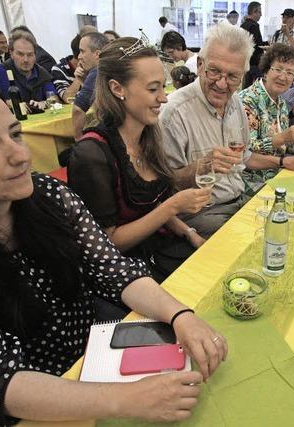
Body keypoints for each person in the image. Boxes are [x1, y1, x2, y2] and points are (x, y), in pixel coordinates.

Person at [0, 80, 227, 425]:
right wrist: (125, 398)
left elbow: (112, 267)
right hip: (32, 403)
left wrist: (181, 315)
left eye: (15, 134)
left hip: (90, 361)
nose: (20, 154)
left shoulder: (48, 194)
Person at [68, 37, 211, 281]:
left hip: (159, 250)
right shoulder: (90, 154)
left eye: (163, 87)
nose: (164, 98)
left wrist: (189, 233)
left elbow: (148, 202)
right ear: (117, 88)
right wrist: (173, 205)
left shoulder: (148, 134)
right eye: (153, 89)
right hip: (124, 273)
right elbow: (106, 245)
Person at [160, 24, 294, 238]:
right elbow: (162, 186)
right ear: (200, 64)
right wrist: (203, 167)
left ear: (244, 74)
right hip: (200, 215)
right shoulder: (174, 113)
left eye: (233, 76)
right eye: (214, 71)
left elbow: (245, 156)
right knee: (266, 237)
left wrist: (282, 161)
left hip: (239, 201)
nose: (222, 84)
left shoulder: (235, 104)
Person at [239, 43, 294, 192]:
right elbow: (245, 152)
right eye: (278, 69)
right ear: (266, 71)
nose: (283, 77)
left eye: (290, 73)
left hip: (278, 172)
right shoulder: (247, 100)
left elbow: (284, 146)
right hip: (251, 182)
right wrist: (283, 138)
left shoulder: (281, 102)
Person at [0, 30, 55, 111]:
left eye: (30, 55)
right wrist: (7, 103)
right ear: (11, 53)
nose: (26, 60)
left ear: (36, 55)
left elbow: (54, 98)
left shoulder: (41, 72)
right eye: (20, 54)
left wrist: (44, 103)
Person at [72, 32, 110, 140]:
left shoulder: (99, 70)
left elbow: (78, 110)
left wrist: (79, 141)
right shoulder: (114, 66)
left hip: (110, 135)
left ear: (97, 54)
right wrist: (83, 81)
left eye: (82, 51)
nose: (79, 56)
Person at [241, 1, 268, 88]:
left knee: (246, 86)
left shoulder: (243, 25)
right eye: (259, 12)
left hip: (245, 61)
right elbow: (257, 45)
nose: (261, 15)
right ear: (254, 12)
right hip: (254, 62)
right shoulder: (254, 26)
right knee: (256, 88)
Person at [50, 34, 81, 103]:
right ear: (80, 55)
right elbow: (68, 99)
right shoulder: (59, 69)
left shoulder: (95, 68)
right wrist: (79, 76)